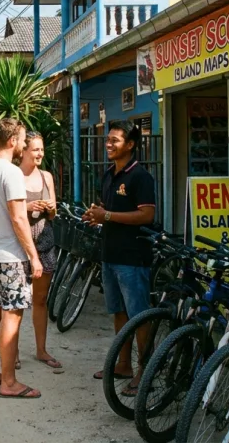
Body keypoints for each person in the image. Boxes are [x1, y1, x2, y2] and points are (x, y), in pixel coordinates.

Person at [83, 121, 156, 395]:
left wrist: (108, 216)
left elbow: (147, 214)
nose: (109, 144)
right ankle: (123, 364)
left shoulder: (140, 177)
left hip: (132, 257)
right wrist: (97, 214)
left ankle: (145, 371)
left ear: (130, 145)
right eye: (108, 140)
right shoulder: (108, 175)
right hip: (110, 254)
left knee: (139, 315)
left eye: (115, 140)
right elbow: (109, 210)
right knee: (119, 312)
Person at [0, 118, 44, 400]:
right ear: (13, 140)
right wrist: (34, 256)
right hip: (11, 257)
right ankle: (10, 382)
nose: (26, 145)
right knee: (12, 316)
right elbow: (18, 217)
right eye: (24, 139)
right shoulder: (11, 173)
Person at [19, 132, 62, 372]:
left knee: (41, 299)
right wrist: (27, 206)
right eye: (35, 149)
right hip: (21, 245)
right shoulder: (13, 175)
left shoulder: (46, 177)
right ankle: (12, 351)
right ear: (23, 150)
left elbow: (53, 214)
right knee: (16, 302)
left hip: (45, 242)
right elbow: (9, 211)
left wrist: (51, 208)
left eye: (41, 149)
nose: (39, 154)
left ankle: (41, 349)